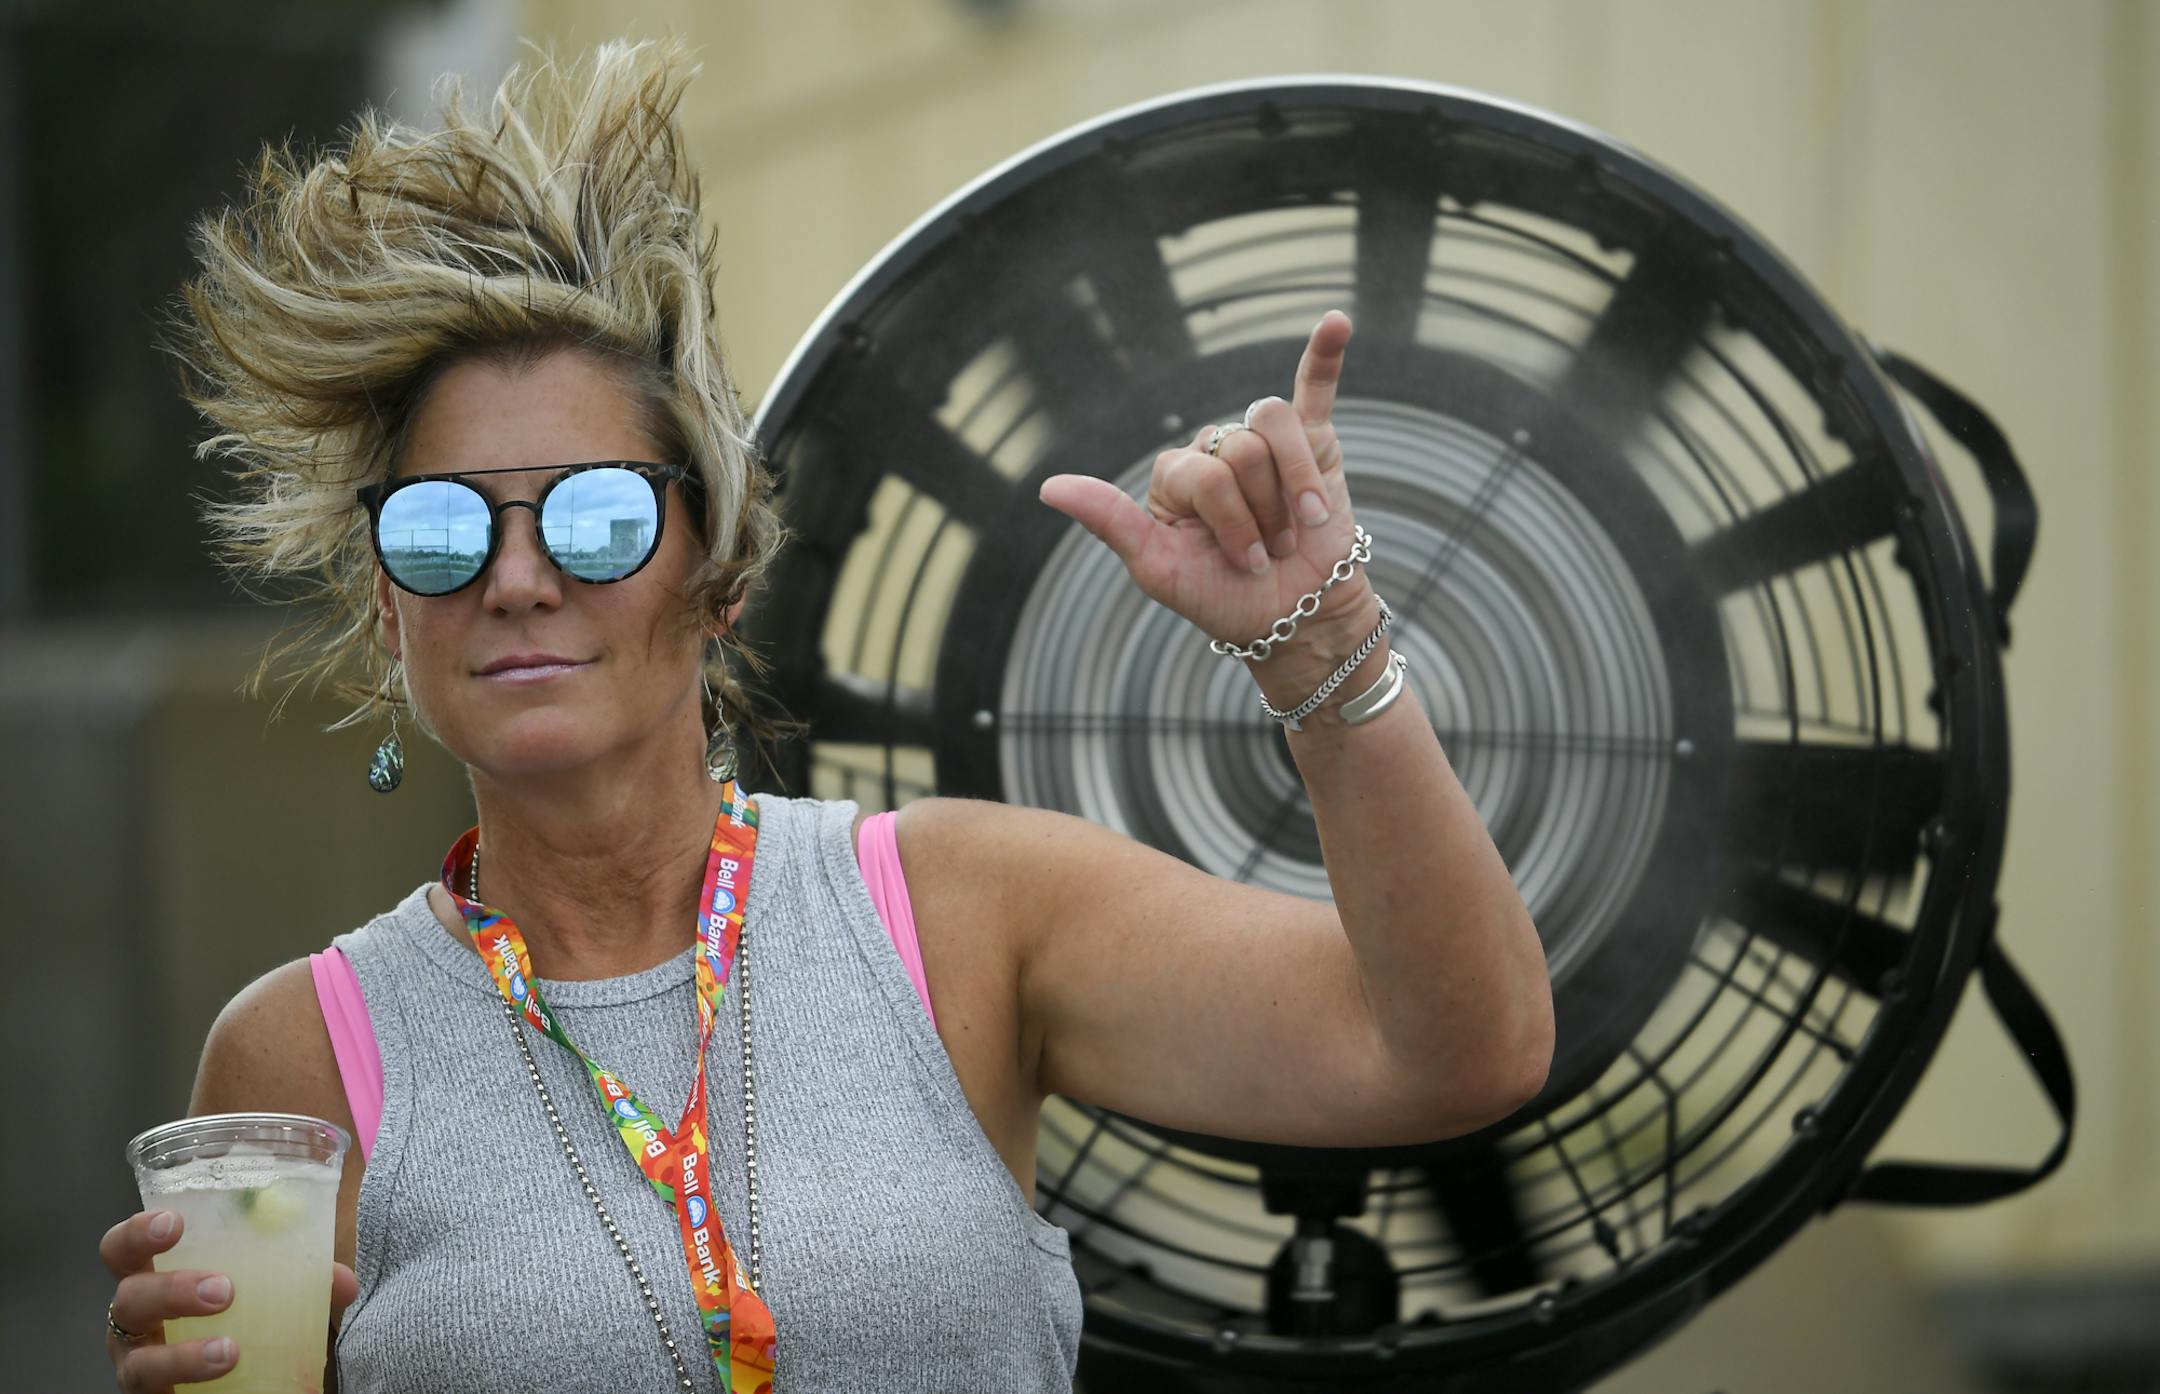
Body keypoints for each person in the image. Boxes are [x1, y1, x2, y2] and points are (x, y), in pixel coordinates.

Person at [98, 39, 1553, 1394]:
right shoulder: (298, 1054)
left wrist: (1327, 653)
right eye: (440, 529)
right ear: (385, 607)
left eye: (599, 517)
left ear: (722, 578)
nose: (520, 577)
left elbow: (1451, 1051)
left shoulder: (960, 916)